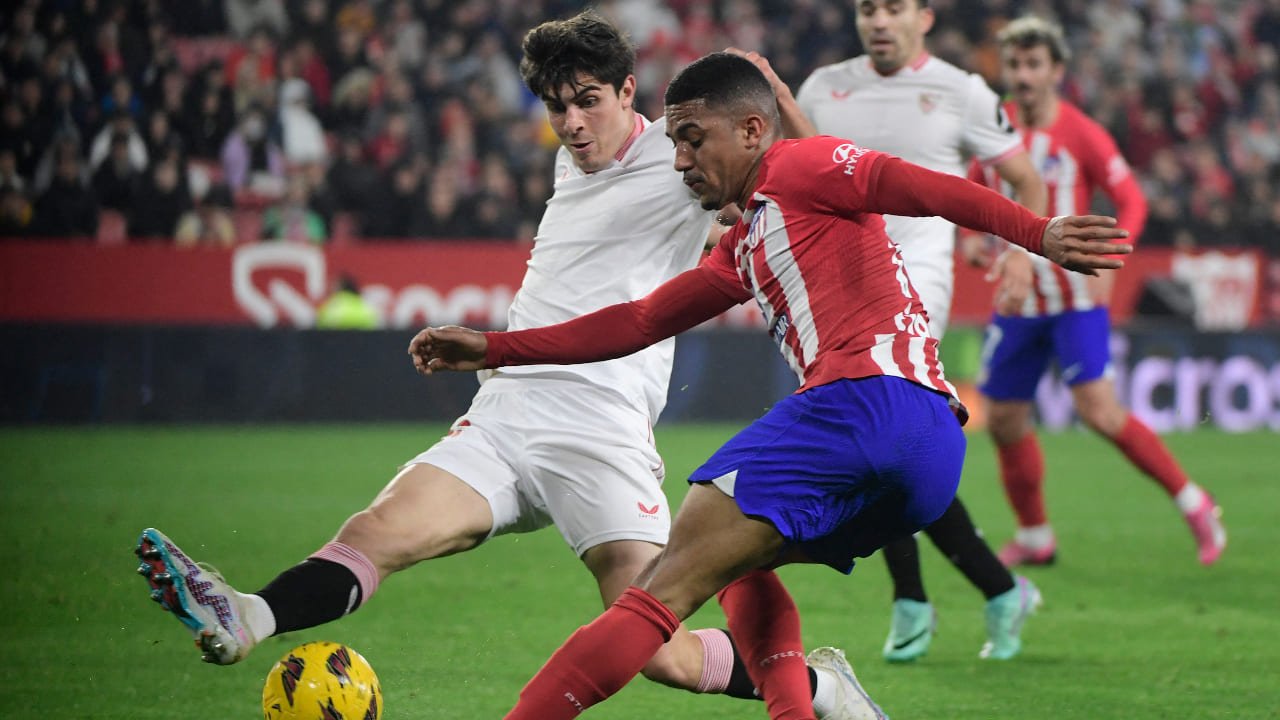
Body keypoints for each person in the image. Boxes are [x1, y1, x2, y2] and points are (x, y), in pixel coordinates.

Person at [133, 14, 875, 720]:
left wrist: (779, 117)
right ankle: (249, 615)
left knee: (662, 652)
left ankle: (820, 688)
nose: (574, 123)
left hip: (601, 427)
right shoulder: (571, 159)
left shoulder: (681, 159)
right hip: (508, 415)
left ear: (627, 93)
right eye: (558, 108)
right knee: (376, 531)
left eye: (588, 102)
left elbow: (806, 175)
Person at [409, 51, 1131, 720]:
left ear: (753, 130)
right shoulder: (746, 243)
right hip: (932, 452)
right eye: (675, 143)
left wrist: (1035, 233)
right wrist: (497, 347)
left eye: (693, 139)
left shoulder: (804, 166)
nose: (680, 159)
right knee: (740, 565)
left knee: (660, 587)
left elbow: (921, 186)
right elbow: (635, 322)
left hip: (863, 404)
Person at [745, 0, 1049, 662]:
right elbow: (800, 161)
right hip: (834, 287)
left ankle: (915, 597)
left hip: (914, 291)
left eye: (892, 7)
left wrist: (1022, 251)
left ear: (924, 16)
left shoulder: (962, 92)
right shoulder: (825, 86)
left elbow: (1025, 177)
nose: (878, 20)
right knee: (887, 450)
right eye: (866, 8)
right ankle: (990, 590)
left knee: (884, 438)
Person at [965, 16, 1226, 567]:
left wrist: (1113, 262)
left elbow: (1131, 199)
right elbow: (969, 191)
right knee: (1006, 420)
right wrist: (968, 236)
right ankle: (1036, 536)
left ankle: (1195, 502)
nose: (1024, 75)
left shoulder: (1081, 132)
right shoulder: (996, 127)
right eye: (1015, 64)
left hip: (1074, 300)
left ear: (1056, 71)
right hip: (1018, 301)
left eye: (1035, 64)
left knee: (1100, 412)